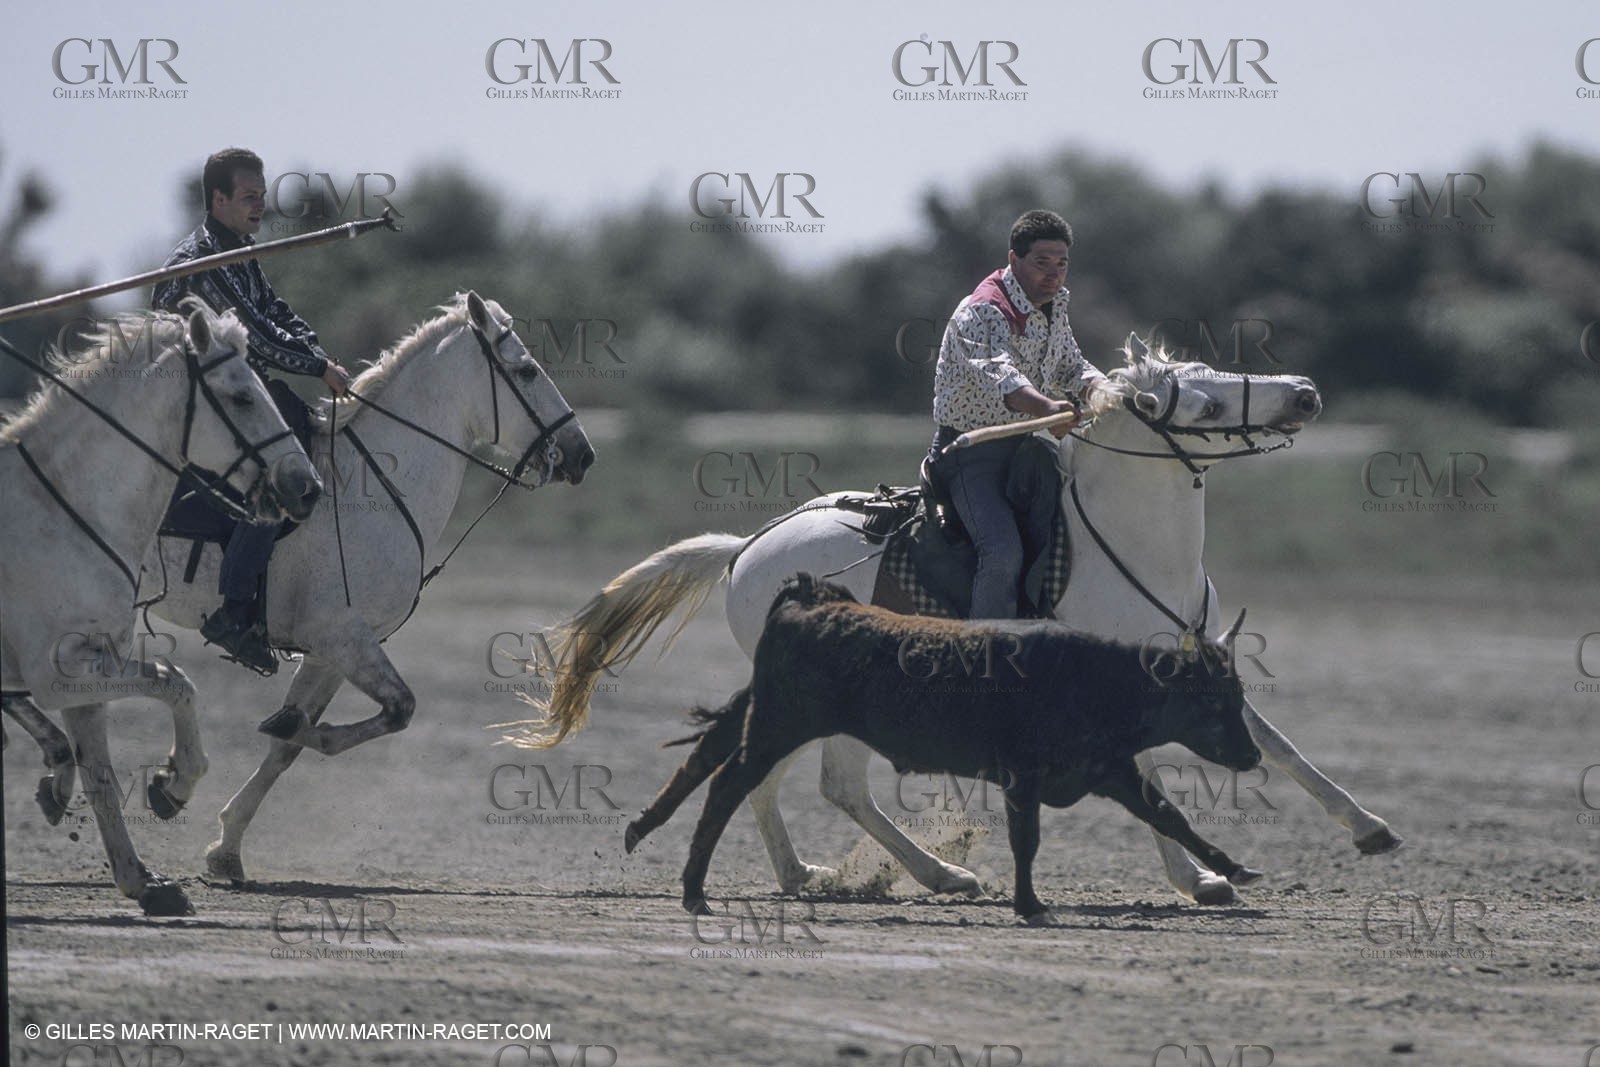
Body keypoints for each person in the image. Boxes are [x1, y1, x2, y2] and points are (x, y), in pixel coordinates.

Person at [152, 147, 351, 671]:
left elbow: (275, 312)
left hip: (232, 395)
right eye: (248, 197)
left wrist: (316, 353)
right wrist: (316, 368)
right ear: (218, 199)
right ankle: (236, 610)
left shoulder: (238, 250)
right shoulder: (204, 262)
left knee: (288, 420)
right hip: (192, 409)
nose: (259, 206)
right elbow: (258, 341)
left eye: (262, 196)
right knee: (275, 467)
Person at [928, 208, 1106, 619]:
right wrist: (1047, 408)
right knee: (1002, 552)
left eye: (1061, 264)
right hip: (969, 454)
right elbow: (999, 374)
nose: (1053, 273)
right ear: (1014, 260)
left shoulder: (1054, 305)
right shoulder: (984, 309)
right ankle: (986, 657)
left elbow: (1071, 365)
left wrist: (1106, 391)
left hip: (1025, 451)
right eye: (1041, 262)